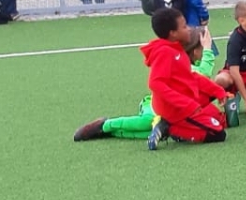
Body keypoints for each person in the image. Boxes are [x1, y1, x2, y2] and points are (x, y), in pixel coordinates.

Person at [74, 31, 216, 142]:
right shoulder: (180, 63)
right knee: (149, 121)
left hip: (171, 112)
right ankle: (105, 125)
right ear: (195, 51)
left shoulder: (196, 64)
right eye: (203, 49)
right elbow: (203, 74)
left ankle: (111, 132)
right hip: (154, 105)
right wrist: (208, 50)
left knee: (159, 130)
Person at [139, 9, 231, 148]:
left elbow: (192, 77)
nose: (188, 29)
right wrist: (187, 104)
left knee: (212, 96)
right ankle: (169, 127)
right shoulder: (165, 52)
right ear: (173, 33)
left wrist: (218, 91)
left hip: (183, 103)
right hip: (174, 110)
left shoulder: (176, 49)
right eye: (184, 26)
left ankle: (174, 125)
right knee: (217, 133)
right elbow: (155, 83)